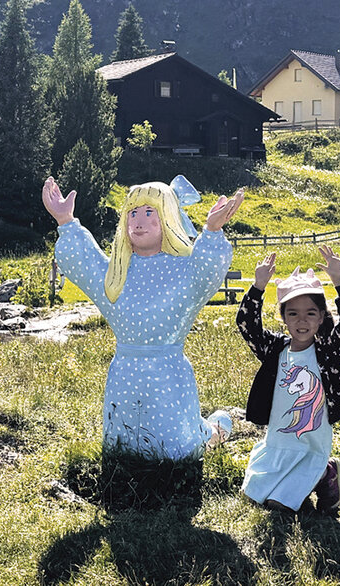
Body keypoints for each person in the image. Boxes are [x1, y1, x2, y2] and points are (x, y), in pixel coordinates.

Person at [45, 175, 243, 464]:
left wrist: (211, 232)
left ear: (168, 219)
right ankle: (135, 449)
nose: (138, 222)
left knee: (178, 451)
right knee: (122, 448)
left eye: (149, 213)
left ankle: (212, 433)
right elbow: (84, 263)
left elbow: (206, 271)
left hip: (169, 374)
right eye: (132, 213)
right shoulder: (116, 274)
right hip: (125, 374)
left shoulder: (183, 270)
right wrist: (66, 222)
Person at [235, 248, 340, 513]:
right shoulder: (274, 350)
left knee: (279, 507)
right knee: (255, 500)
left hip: (310, 445)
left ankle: (324, 473)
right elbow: (246, 323)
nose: (302, 320)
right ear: (283, 318)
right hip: (278, 443)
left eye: (310, 313)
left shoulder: (328, 351)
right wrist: (258, 286)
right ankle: (298, 485)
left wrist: (339, 280)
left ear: (321, 318)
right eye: (293, 313)